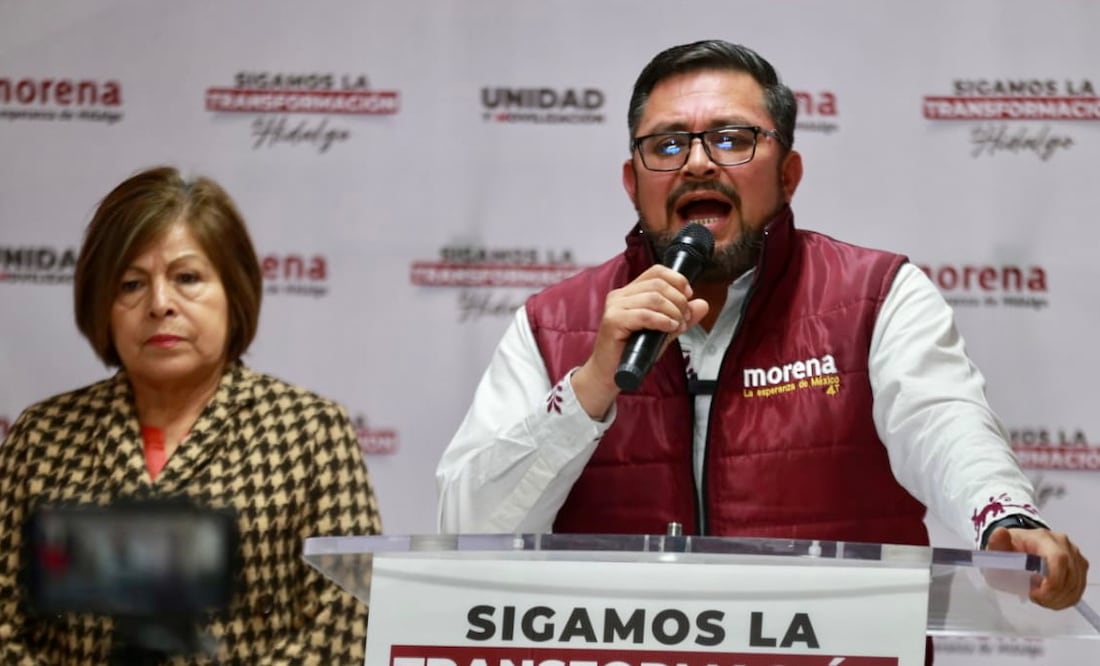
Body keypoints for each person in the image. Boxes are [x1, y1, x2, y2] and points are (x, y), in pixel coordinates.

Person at [435, 40, 1087, 613]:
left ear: (788, 174)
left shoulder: (876, 296)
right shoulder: (553, 324)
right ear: (633, 183)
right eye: (667, 144)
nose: (696, 163)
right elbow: (466, 532)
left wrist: (1002, 517)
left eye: (731, 138)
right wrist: (590, 387)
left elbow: (942, 424)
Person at [0, 166, 382, 663]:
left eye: (187, 278)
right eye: (131, 284)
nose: (160, 304)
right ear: (103, 305)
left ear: (233, 292)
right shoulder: (42, 437)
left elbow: (349, 620)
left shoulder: (311, 433)